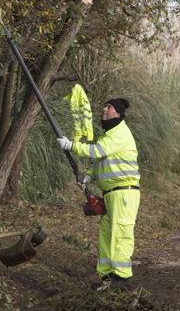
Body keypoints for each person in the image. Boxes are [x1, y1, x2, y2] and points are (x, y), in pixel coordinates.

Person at [56, 98, 140, 290]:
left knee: (120, 235)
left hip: (123, 193)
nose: (104, 109)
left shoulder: (120, 133)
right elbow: (100, 162)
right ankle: (107, 277)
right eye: (105, 106)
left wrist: (71, 146)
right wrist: (87, 177)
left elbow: (97, 151)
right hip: (112, 194)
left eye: (108, 107)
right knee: (106, 236)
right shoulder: (109, 135)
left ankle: (122, 280)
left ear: (117, 113)